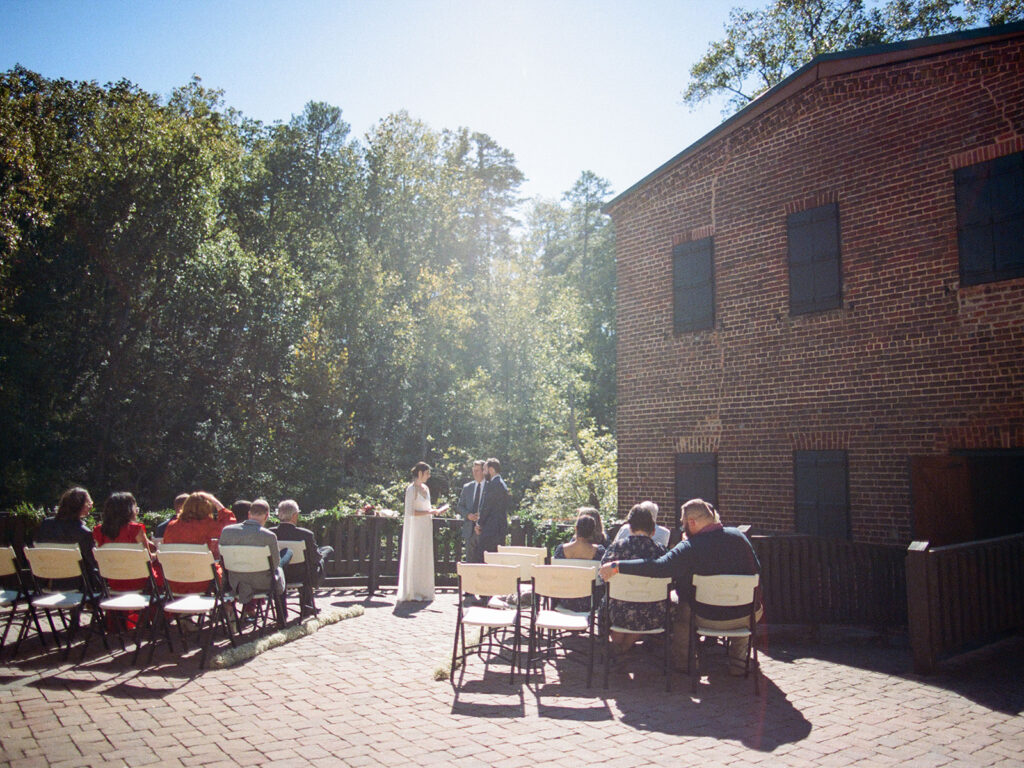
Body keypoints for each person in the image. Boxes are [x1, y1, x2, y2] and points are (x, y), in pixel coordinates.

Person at [600, 498, 761, 675]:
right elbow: (757, 571)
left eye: (683, 524)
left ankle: (684, 664)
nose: (683, 528)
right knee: (746, 606)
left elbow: (659, 567)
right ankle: (738, 663)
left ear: (692, 522)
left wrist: (618, 566)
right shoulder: (740, 537)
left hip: (705, 616)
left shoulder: (690, 547)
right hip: (745, 616)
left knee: (683, 612)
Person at [600, 501, 667, 651]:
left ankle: (619, 645)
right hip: (653, 613)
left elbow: (602, 575)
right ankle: (624, 646)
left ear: (629, 528)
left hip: (618, 612)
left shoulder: (617, 548)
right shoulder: (661, 551)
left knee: (610, 601)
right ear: (653, 531)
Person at [218, 499, 291, 623]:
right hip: (262, 583)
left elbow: (222, 560)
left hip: (235, 582)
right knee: (285, 557)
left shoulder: (227, 532)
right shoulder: (269, 536)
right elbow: (275, 564)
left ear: (249, 514)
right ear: (267, 516)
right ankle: (282, 616)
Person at [162, 491, 236, 594]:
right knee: (227, 572)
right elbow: (230, 524)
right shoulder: (210, 526)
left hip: (175, 580)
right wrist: (213, 500)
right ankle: (226, 607)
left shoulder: (171, 526)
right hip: (204, 581)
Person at [397, 462, 446, 603]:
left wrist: (435, 511)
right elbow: (411, 511)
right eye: (427, 473)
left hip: (425, 526)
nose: (429, 476)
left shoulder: (426, 488)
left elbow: (427, 508)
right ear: (420, 473)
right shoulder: (411, 490)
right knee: (415, 555)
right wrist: (430, 511)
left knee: (424, 556)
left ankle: (425, 590)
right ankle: (413, 591)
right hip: (415, 528)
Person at [271, 499, 334, 606]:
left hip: (279, 574)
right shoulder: (306, 534)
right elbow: (315, 558)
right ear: (295, 515)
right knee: (327, 551)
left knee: (312, 560)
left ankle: (287, 611)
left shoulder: (271, 533)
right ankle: (307, 606)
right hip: (302, 575)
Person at [92, 492, 157, 592]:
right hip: (138, 578)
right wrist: (157, 554)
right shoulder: (135, 529)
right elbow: (147, 558)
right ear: (130, 509)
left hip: (113, 578)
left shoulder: (98, 531)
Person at [35, 486, 98, 588]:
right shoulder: (83, 532)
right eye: (88, 503)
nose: (91, 505)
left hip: (49, 581)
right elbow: (93, 562)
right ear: (79, 506)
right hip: (78, 584)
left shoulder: (46, 525)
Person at [551, 511, 606, 613]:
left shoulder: (560, 550)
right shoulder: (599, 552)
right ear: (593, 530)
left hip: (565, 598)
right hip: (590, 601)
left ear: (575, 529)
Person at [474, 458, 510, 557]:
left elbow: (487, 507)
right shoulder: (501, 484)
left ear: (491, 470)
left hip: (491, 529)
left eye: (485, 470)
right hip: (498, 528)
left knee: (486, 558)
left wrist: (479, 523)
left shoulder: (494, 485)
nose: (484, 473)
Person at [456, 460, 486, 563]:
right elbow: (459, 506)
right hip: (469, 530)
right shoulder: (467, 487)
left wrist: (481, 517)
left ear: (483, 471)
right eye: (473, 470)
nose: (474, 473)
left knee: (483, 563)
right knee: (470, 562)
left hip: (484, 531)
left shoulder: (489, 487)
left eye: (477, 471)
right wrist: (468, 515)